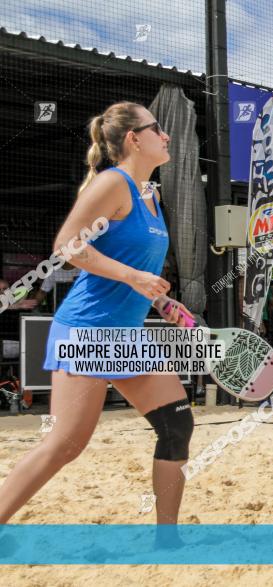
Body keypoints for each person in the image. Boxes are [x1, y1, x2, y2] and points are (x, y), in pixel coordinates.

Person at [0, 102, 193, 543]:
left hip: (123, 333)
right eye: (157, 128)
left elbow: (139, 277)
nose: (166, 136)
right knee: (65, 445)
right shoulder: (113, 183)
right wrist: (133, 276)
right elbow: (67, 245)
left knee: (176, 424)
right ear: (134, 138)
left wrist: (169, 307)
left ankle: (167, 540)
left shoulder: (151, 194)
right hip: (87, 330)